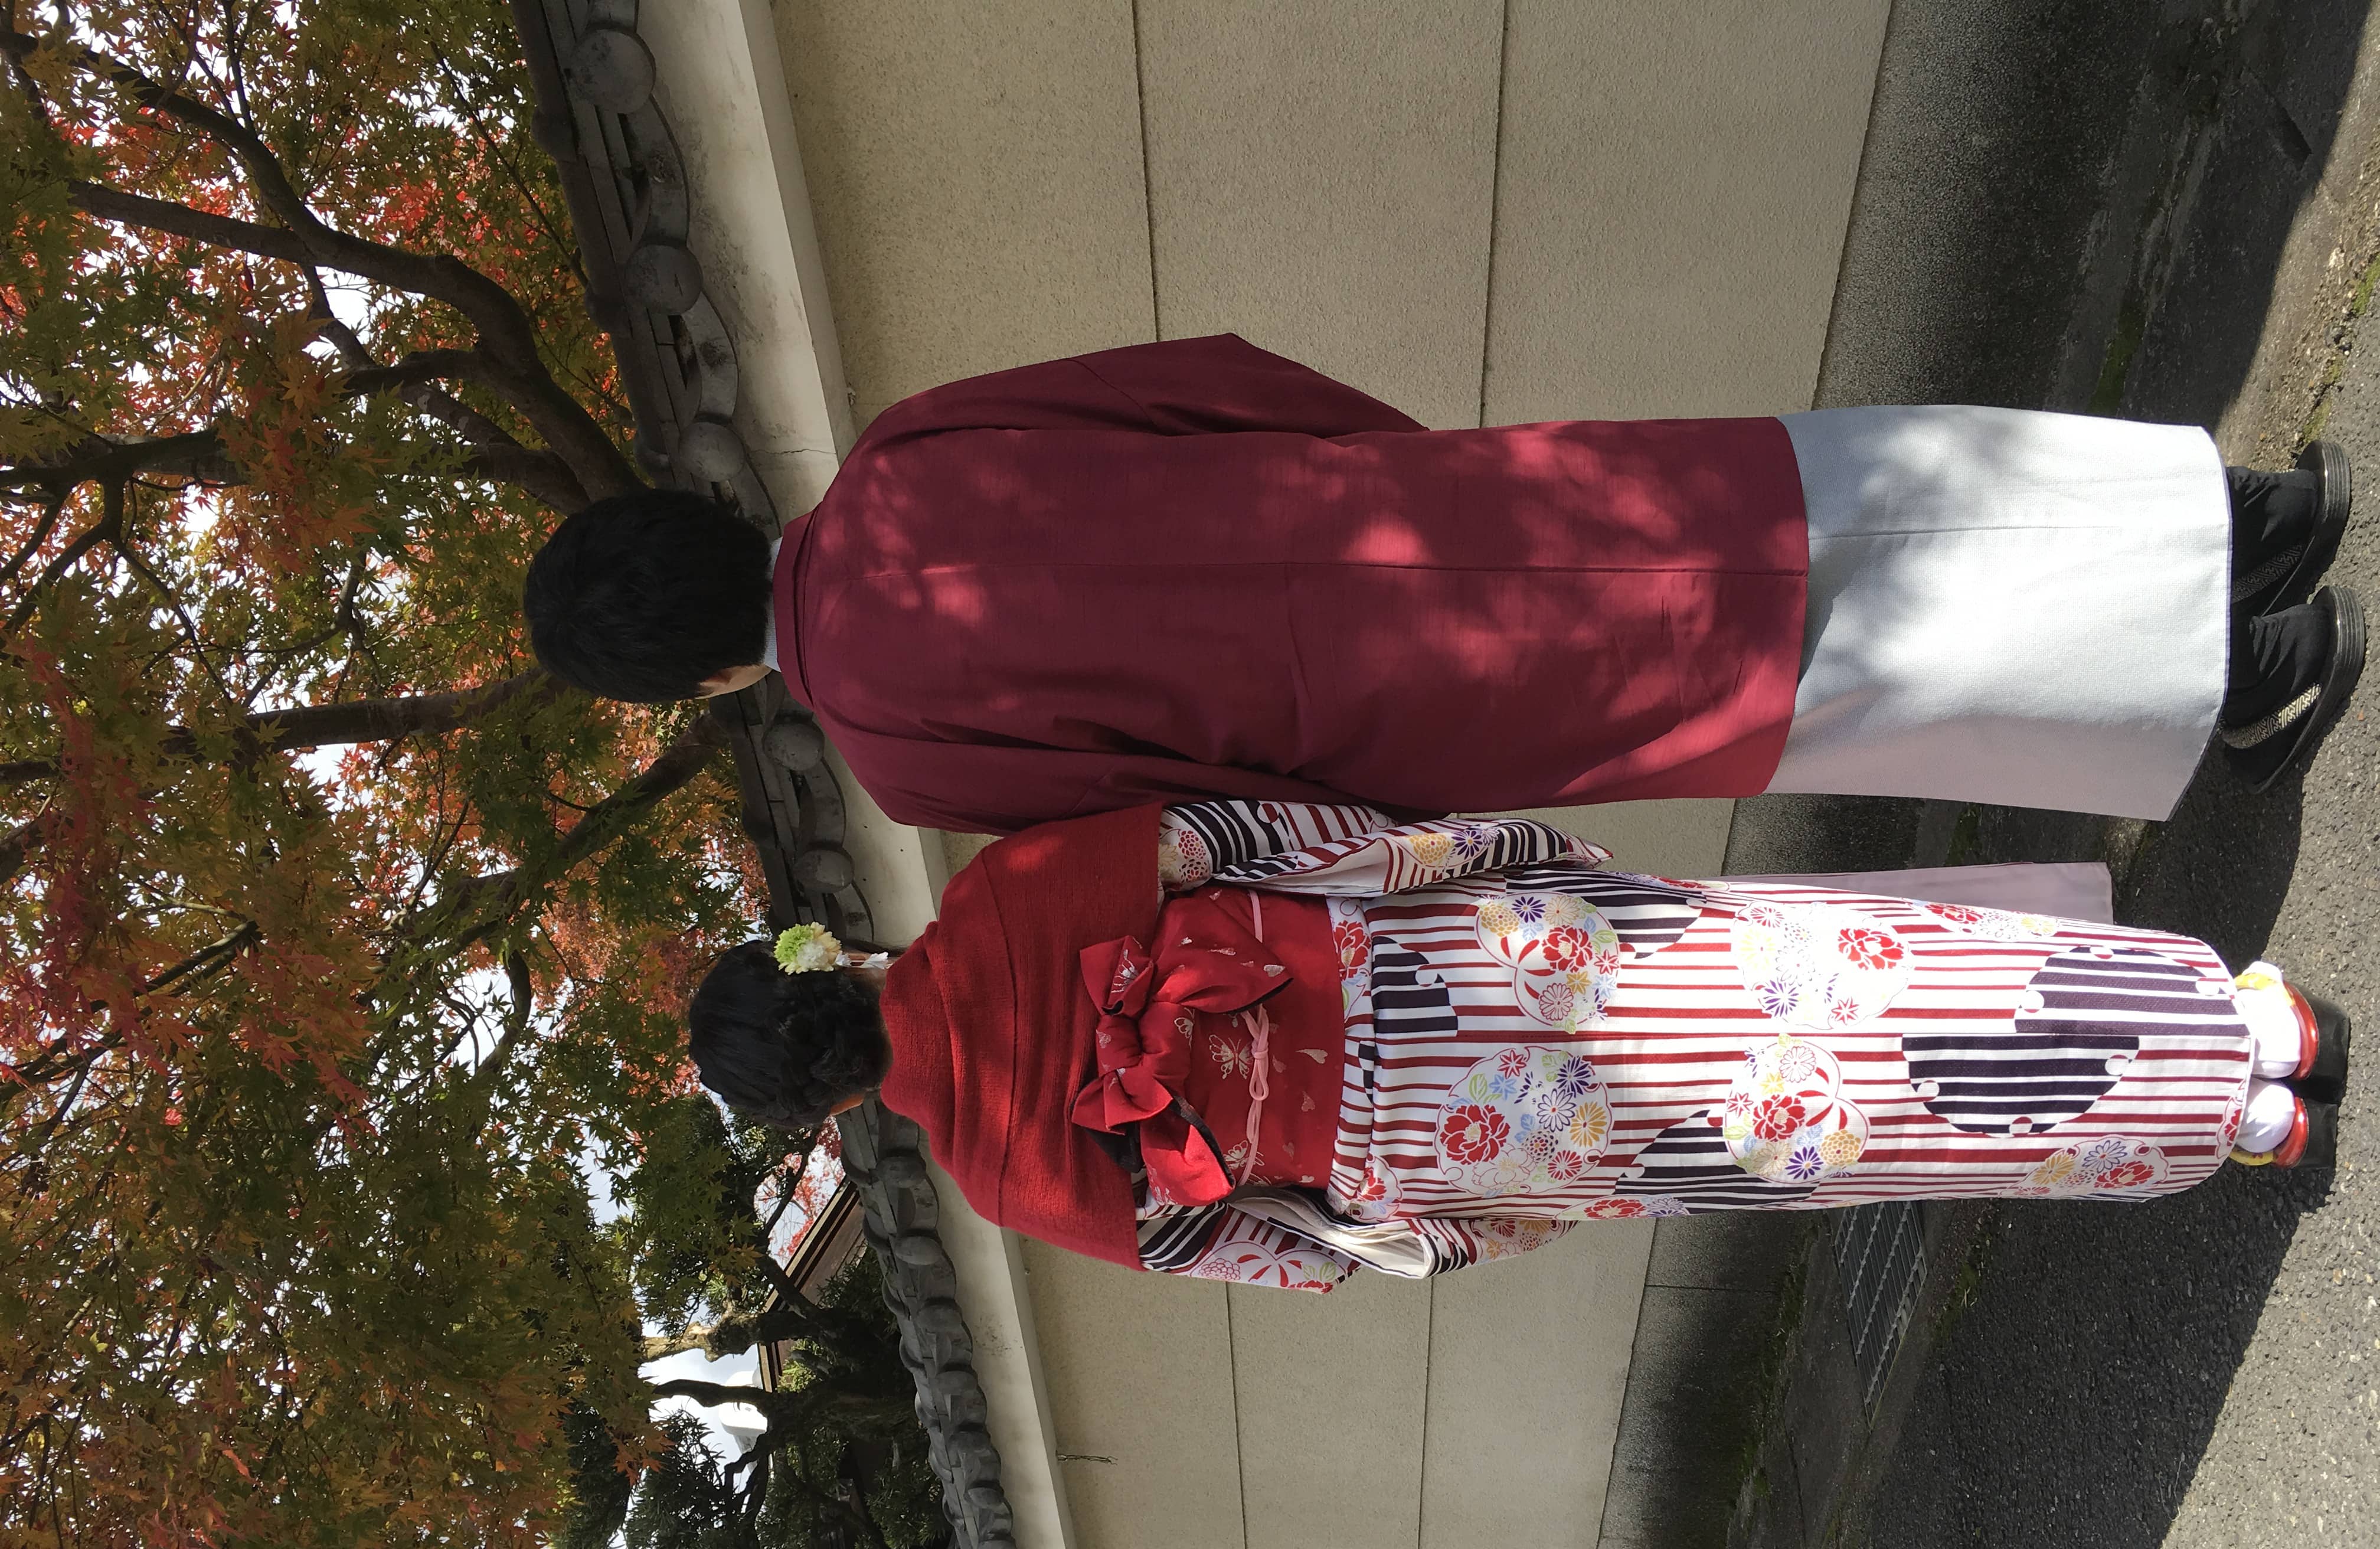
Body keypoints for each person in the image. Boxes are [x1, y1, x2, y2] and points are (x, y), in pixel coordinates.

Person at [525, 335, 2363, 834]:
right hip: (1426, 508)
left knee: (1829, 678)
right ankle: (2242, 519)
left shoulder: (897, 757)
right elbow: (1209, 377)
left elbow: (1188, 811)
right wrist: (1394, 468)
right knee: (1842, 488)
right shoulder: (907, 448)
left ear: (697, 682)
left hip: (1416, 704)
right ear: (701, 515)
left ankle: (2246, 668)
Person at [686, 802, 2349, 1292]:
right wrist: (1470, 854)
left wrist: (1440, 1230)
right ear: (816, 959)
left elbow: (1242, 1247)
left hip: (1444, 1137)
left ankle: (2210, 1125)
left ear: (827, 1107)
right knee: (1815, 971)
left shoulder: (996, 1179)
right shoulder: (998, 896)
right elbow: (1242, 837)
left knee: (1798, 1129)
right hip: (1450, 963)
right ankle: (2231, 1026)